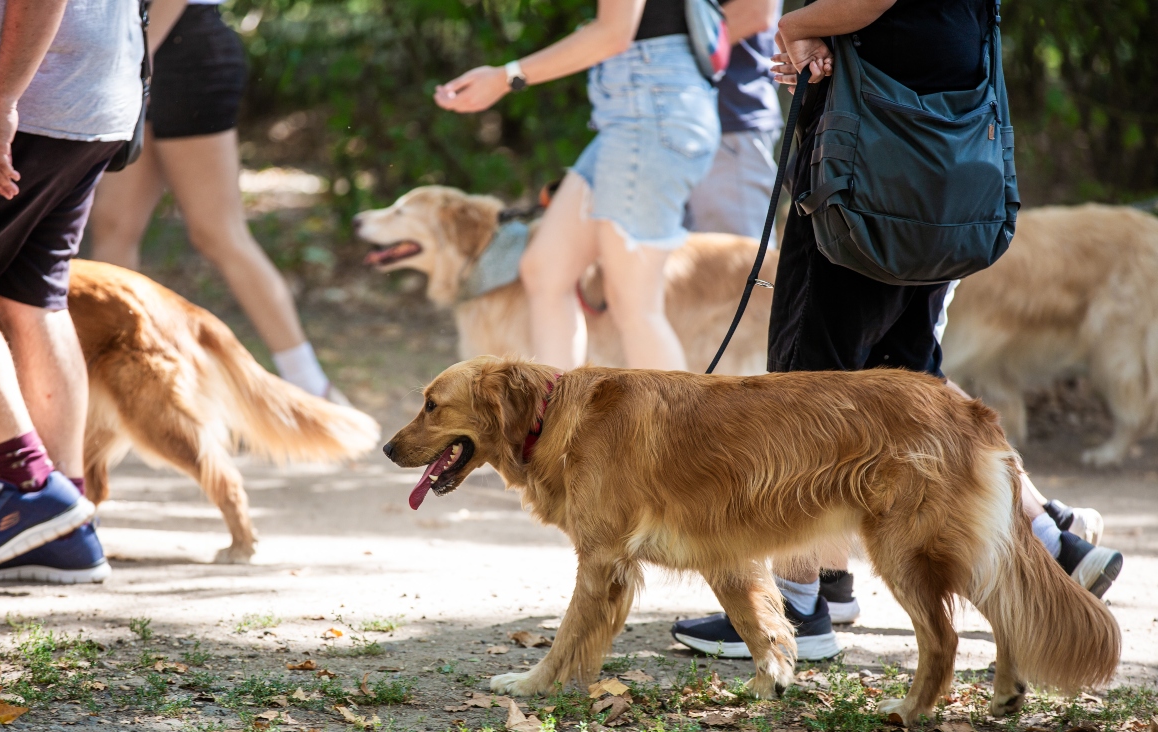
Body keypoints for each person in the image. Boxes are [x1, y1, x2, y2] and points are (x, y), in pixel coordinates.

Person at [670, 0, 1124, 662]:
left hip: (870, 175)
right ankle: (1044, 545)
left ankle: (797, 610)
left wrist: (800, 26)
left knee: (809, 391)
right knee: (912, 390)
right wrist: (822, 37)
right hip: (938, 180)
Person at [435, 0, 772, 371]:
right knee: (545, 270)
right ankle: (561, 419)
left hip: (651, 112)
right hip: (633, 109)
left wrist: (505, 77)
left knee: (635, 305)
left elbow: (613, 33)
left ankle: (669, 429)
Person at [0, 0, 145, 583]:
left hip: (21, 96)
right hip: (90, 98)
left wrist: (1, 103)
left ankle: (29, 486)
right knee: (32, 295)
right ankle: (66, 523)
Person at [87, 0, 350, 405]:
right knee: (112, 226)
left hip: (178, 48)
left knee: (217, 232)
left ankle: (314, 390)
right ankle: (117, 383)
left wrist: (134, 62)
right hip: (134, 49)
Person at [686, 1, 784, 248]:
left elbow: (755, 11)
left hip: (729, 125)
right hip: (675, 124)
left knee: (742, 277)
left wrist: (665, 51)